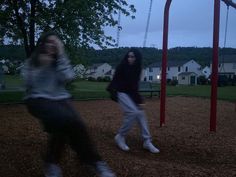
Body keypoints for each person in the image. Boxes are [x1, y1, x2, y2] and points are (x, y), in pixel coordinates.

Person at [21, 32, 116, 177]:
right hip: (37, 98)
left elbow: (68, 77)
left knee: (76, 124)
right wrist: (41, 66)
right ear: (42, 44)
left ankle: (92, 161)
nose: (51, 45)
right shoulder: (33, 60)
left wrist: (60, 57)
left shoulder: (59, 60)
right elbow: (28, 82)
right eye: (48, 42)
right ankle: (70, 161)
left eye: (55, 43)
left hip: (60, 98)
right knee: (65, 120)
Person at [107, 48, 160, 154]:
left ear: (137, 58)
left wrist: (138, 101)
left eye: (132, 57)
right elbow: (119, 83)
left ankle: (147, 141)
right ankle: (120, 136)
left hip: (130, 93)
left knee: (140, 113)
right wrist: (136, 99)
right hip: (119, 91)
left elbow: (134, 87)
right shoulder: (122, 66)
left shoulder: (137, 69)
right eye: (128, 56)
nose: (129, 58)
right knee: (132, 112)